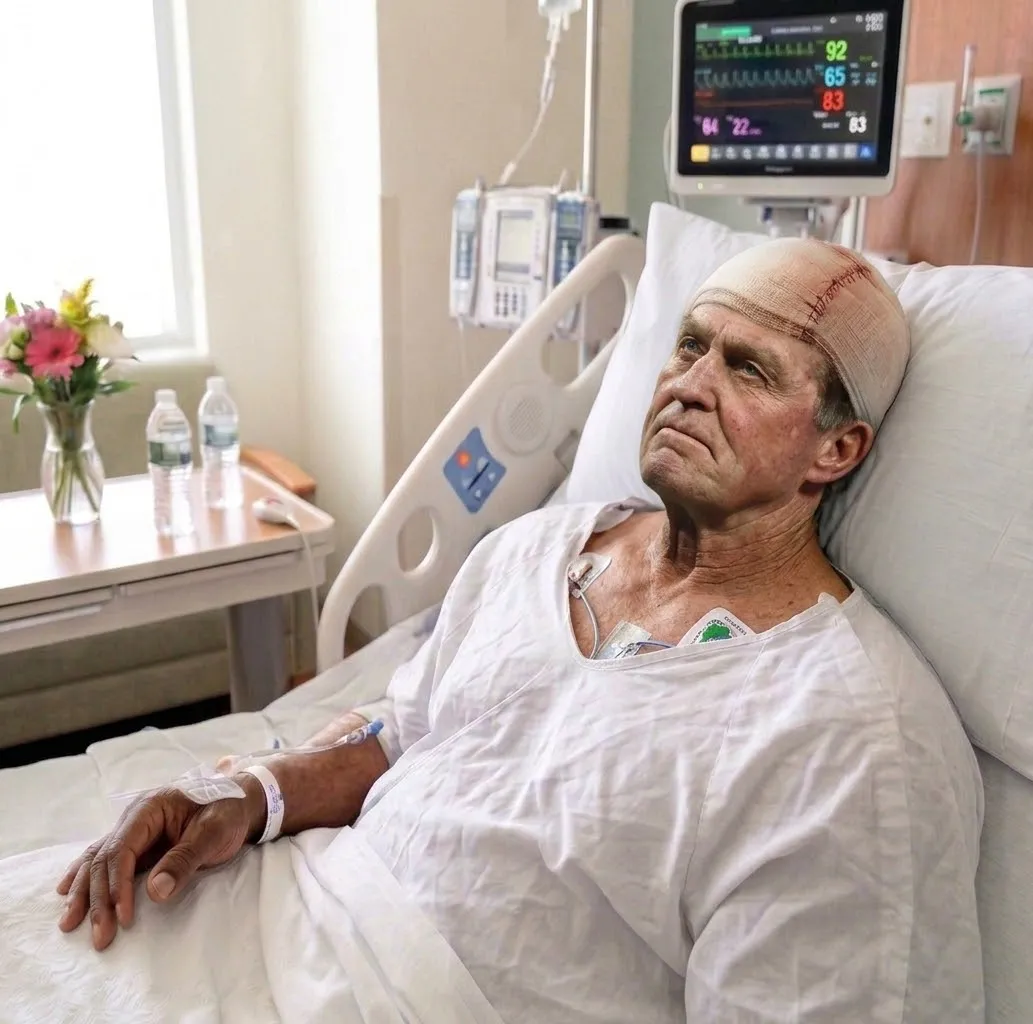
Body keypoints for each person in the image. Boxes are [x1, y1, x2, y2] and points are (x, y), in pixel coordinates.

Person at [47, 239, 983, 1021]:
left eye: (748, 369)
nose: (690, 386)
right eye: (689, 346)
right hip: (281, 909)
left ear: (836, 448)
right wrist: (249, 792)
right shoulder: (536, 550)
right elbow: (407, 732)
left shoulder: (854, 746)